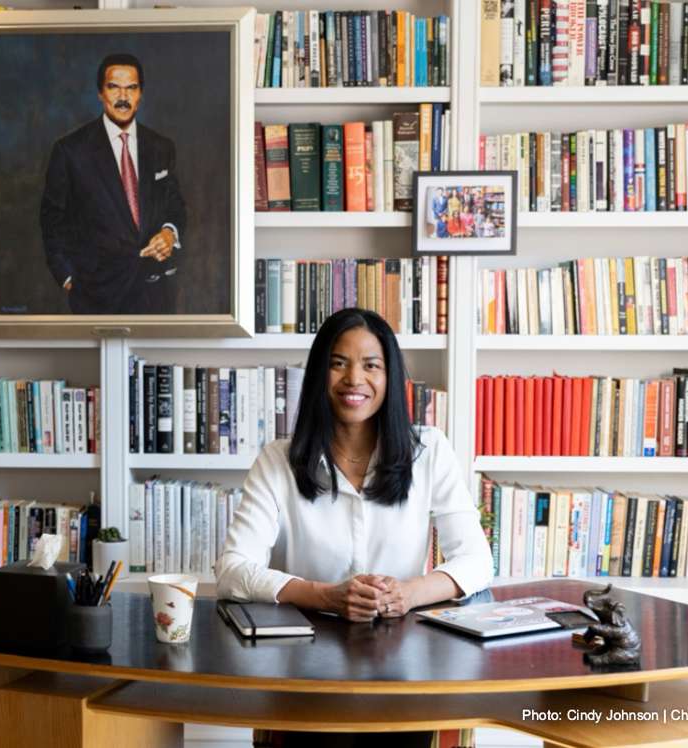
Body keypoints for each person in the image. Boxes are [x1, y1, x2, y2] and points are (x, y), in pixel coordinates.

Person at [215, 308, 494, 748]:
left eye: (371, 365)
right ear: (318, 375)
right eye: (338, 363)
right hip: (304, 673)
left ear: (390, 376)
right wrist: (325, 595)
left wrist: (408, 593)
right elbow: (232, 570)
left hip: (404, 673)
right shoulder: (278, 461)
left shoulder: (430, 451)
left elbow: (477, 561)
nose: (354, 379)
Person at [40, 53, 186, 315]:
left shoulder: (161, 147)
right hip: (96, 296)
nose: (123, 96)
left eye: (131, 88)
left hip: (156, 295)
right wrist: (68, 278)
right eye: (114, 87)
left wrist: (169, 233)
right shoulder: (70, 151)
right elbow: (52, 222)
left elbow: (174, 206)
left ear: (141, 94)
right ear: (100, 93)